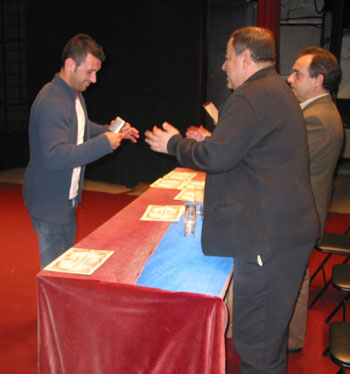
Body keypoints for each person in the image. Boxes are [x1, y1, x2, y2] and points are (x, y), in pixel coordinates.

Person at [145, 26, 319, 373]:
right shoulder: (275, 90)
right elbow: (246, 150)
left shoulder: (250, 96)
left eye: (227, 58)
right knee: (265, 341)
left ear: (245, 58)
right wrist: (213, 141)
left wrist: (175, 144)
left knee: (258, 348)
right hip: (282, 232)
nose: (223, 66)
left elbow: (216, 158)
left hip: (268, 240)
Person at [23, 33, 139, 269]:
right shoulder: (51, 100)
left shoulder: (73, 95)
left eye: (96, 72)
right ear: (70, 64)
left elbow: (82, 128)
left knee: (64, 272)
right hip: (49, 206)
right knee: (56, 278)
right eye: (89, 72)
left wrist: (112, 131)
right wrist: (105, 144)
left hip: (64, 203)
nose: (94, 79)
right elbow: (54, 157)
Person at [286, 46, 344, 353]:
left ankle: (292, 341)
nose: (290, 79)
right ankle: (291, 339)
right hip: (304, 210)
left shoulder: (317, 118)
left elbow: (286, 160)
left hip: (301, 214)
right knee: (296, 276)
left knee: (293, 279)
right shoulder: (315, 112)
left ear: (318, 79)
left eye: (297, 73)